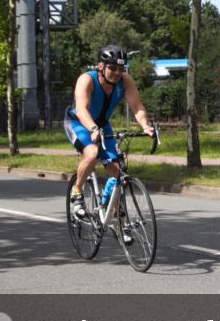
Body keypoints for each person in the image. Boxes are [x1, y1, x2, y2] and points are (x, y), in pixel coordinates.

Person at [64, 45, 155, 243]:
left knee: (118, 170)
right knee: (92, 152)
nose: (117, 73)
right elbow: (82, 109)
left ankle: (111, 212)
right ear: (101, 66)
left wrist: (146, 126)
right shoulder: (87, 79)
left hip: (103, 125)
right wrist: (93, 129)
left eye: (121, 69)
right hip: (78, 122)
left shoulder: (125, 81)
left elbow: (137, 106)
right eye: (112, 68)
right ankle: (77, 191)